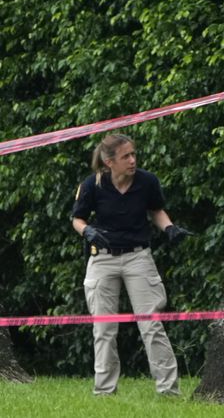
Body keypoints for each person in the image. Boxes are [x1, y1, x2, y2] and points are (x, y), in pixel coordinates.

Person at [71, 133, 191, 396]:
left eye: (134, 154)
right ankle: (104, 392)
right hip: (102, 258)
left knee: (151, 324)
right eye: (126, 156)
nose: (133, 160)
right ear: (109, 161)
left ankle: (169, 391)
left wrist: (169, 228)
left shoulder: (147, 181)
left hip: (138, 257)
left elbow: (156, 210)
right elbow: (77, 219)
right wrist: (87, 231)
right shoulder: (93, 184)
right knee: (103, 328)